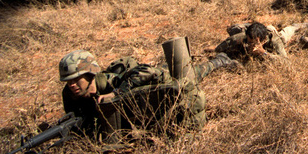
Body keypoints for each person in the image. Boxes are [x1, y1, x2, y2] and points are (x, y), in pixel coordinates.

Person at [58, 44, 234, 139]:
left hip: (158, 83)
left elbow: (147, 72)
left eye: (76, 79)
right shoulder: (70, 95)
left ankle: (219, 61)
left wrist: (117, 94)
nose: (72, 85)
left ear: (91, 75)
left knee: (194, 72)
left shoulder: (111, 82)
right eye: (68, 81)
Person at [212, 21, 308, 62]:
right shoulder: (242, 38)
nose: (250, 44)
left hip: (274, 34)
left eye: (254, 42)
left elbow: (286, 63)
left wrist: (264, 54)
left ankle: (298, 25)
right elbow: (219, 49)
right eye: (249, 41)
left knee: (286, 34)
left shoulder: (274, 41)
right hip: (259, 30)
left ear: (263, 41)